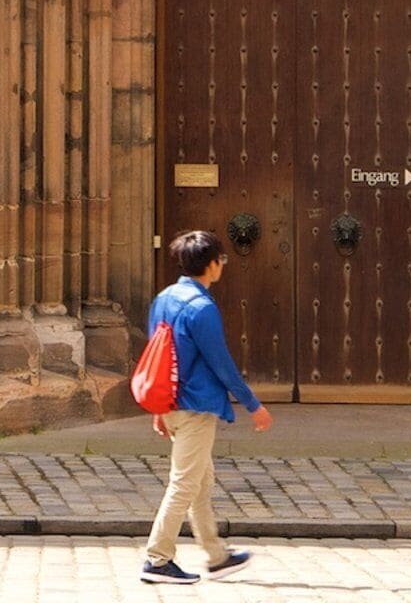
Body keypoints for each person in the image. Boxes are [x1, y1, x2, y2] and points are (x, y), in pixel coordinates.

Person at [139, 228, 269, 584]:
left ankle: (216, 555)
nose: (221, 265)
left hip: (171, 404)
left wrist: (158, 408)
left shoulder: (164, 298)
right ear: (211, 265)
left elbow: (157, 355)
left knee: (200, 481)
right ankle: (158, 558)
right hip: (195, 407)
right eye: (221, 260)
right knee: (184, 484)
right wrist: (253, 404)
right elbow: (221, 363)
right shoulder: (202, 308)